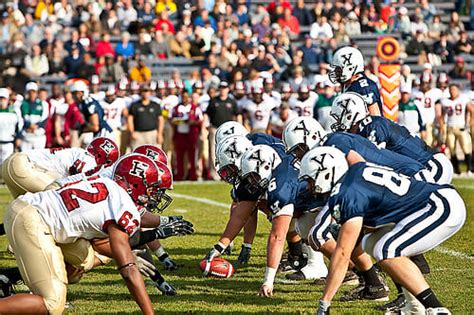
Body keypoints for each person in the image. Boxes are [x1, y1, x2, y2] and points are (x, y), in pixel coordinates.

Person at [300, 147, 465, 315]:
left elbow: (343, 253)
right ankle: (415, 308)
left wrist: (325, 303)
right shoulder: (355, 171)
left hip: (440, 206)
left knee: (387, 250)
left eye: (311, 180)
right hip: (434, 203)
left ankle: (436, 308)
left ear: (326, 174)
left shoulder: (348, 194)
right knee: (371, 242)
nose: (309, 186)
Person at [0, 154, 162, 314]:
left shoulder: (105, 182)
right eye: (150, 187)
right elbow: (128, 271)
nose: (152, 194)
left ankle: (16, 276)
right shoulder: (124, 207)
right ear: (134, 184)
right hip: (33, 219)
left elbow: (99, 243)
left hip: (28, 206)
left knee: (83, 259)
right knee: (53, 303)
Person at [2, 137, 119, 198]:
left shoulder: (77, 152)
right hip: (23, 167)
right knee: (54, 201)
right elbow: (79, 179)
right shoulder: (89, 159)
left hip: (13, 162)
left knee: (24, 212)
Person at [328, 46, 382, 116]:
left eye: (338, 69)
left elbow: (375, 117)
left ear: (350, 68)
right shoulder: (350, 84)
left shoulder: (363, 87)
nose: (335, 72)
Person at [205, 81, 240, 180]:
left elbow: (237, 115)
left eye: (224, 88)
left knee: (229, 152)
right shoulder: (214, 101)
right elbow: (207, 114)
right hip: (215, 128)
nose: (223, 90)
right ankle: (215, 174)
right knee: (213, 151)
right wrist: (206, 126)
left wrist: (238, 127)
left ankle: (229, 173)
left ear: (228, 89)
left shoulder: (231, 102)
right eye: (221, 87)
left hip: (228, 131)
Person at [439, 84, 474, 175]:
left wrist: (470, 123)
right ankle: (457, 170)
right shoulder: (445, 101)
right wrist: (442, 125)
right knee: (451, 149)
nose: (452, 91)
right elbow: (442, 115)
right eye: (451, 90)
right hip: (450, 127)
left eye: (454, 89)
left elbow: (472, 110)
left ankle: (469, 169)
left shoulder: (463, 99)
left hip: (461, 127)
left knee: (466, 148)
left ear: (458, 90)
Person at [171, 91, 203, 181]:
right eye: (183, 97)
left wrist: (191, 122)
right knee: (179, 156)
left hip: (191, 135)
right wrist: (176, 121)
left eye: (186, 97)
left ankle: (193, 175)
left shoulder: (195, 108)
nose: (185, 99)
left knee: (192, 156)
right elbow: (171, 119)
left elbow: (200, 120)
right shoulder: (177, 108)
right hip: (180, 134)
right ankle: (180, 175)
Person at [128, 85, 164, 150]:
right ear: (140, 93)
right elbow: (130, 119)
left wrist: (160, 134)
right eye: (143, 91)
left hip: (152, 133)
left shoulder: (155, 105)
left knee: (154, 155)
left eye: (147, 91)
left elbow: (160, 120)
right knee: (137, 155)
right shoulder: (135, 105)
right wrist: (132, 132)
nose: (145, 93)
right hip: (138, 134)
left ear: (150, 93)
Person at [20, 82, 49, 151]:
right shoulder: (23, 104)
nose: (32, 94)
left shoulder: (43, 104)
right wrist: (29, 125)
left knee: (38, 158)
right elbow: (22, 118)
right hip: (27, 135)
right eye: (30, 92)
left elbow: (45, 118)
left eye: (33, 92)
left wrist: (37, 126)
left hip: (38, 135)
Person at [0, 88, 22, 170]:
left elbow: (18, 126)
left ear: (7, 99)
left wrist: (19, 137)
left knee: (6, 165)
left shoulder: (14, 112)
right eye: (0, 98)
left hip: (8, 143)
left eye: (4, 99)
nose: (2, 101)